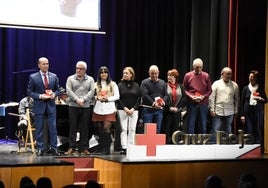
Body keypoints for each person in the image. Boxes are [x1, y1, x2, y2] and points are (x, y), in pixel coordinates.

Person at [27, 57, 61, 156]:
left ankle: (54, 148)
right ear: (39, 65)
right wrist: (40, 96)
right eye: (44, 64)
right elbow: (29, 92)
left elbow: (58, 90)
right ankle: (40, 148)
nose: (46, 65)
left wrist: (54, 94)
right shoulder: (33, 77)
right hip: (39, 106)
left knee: (53, 128)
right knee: (40, 129)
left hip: (51, 106)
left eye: (47, 63)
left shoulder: (54, 76)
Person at [65, 61, 95, 155]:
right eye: (77, 68)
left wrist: (84, 99)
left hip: (85, 106)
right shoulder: (70, 78)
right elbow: (68, 91)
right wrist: (77, 100)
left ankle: (84, 147)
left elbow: (92, 91)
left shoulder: (90, 79)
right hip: (73, 106)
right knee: (73, 127)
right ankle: (72, 147)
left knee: (84, 128)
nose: (78, 70)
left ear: (85, 70)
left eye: (81, 68)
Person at [92, 66, 120, 155]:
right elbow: (91, 96)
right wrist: (97, 97)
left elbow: (117, 96)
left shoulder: (113, 84)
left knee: (106, 127)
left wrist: (107, 98)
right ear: (99, 74)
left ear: (108, 74)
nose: (103, 74)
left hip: (109, 109)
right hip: (98, 109)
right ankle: (101, 147)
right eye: (102, 73)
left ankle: (107, 148)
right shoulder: (95, 84)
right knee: (100, 129)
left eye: (105, 72)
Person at [209, 67, 240, 142]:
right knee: (215, 129)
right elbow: (211, 97)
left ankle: (227, 147)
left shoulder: (234, 85)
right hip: (217, 110)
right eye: (227, 74)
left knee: (228, 130)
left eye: (230, 74)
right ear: (222, 74)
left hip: (229, 111)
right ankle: (213, 145)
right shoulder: (216, 84)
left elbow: (237, 99)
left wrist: (236, 111)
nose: (229, 75)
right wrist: (212, 109)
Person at [183, 58, 212, 134]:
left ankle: (203, 141)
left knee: (203, 124)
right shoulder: (188, 75)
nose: (199, 69)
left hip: (203, 103)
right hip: (192, 103)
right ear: (193, 66)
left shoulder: (206, 76)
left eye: (200, 67)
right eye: (197, 67)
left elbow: (209, 90)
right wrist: (191, 96)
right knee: (191, 123)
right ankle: (190, 141)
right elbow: (184, 90)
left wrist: (203, 97)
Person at [240, 70, 267, 148]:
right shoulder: (246, 88)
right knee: (249, 131)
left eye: (252, 77)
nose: (250, 78)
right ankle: (249, 150)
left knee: (257, 130)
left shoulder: (260, 88)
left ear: (256, 78)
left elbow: (266, 100)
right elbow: (242, 102)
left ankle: (257, 149)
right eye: (250, 76)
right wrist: (242, 115)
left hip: (258, 112)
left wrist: (260, 99)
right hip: (248, 113)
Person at [117, 67, 141, 155]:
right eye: (124, 73)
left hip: (134, 111)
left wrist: (133, 109)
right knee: (123, 129)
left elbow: (139, 99)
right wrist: (125, 108)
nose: (125, 75)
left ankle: (131, 146)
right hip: (123, 110)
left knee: (132, 129)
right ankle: (124, 147)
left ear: (131, 74)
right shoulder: (119, 85)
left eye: (127, 73)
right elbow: (118, 99)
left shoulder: (136, 85)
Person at [162, 69, 187, 144]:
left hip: (177, 111)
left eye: (171, 75)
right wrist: (169, 107)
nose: (169, 77)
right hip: (167, 111)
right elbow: (163, 97)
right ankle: (165, 144)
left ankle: (174, 143)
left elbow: (184, 98)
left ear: (175, 77)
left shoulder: (181, 87)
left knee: (175, 129)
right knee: (166, 129)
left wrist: (177, 107)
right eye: (168, 75)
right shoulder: (164, 86)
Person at [140, 65, 166, 134]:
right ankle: (147, 144)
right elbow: (145, 95)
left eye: (155, 73)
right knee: (147, 130)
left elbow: (166, 94)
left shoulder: (163, 83)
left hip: (159, 110)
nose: (154, 75)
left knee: (158, 129)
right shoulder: (144, 82)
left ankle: (156, 144)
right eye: (152, 73)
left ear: (158, 73)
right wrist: (153, 103)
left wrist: (163, 101)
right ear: (149, 73)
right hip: (148, 109)